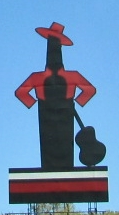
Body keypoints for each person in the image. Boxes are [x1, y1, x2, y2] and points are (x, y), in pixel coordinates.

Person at [14, 22, 96, 170]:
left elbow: (89, 90)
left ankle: (63, 169)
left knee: (65, 144)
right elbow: (21, 92)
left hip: (65, 112)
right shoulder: (37, 77)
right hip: (45, 112)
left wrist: (76, 101)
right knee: (48, 144)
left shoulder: (71, 76)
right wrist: (32, 101)